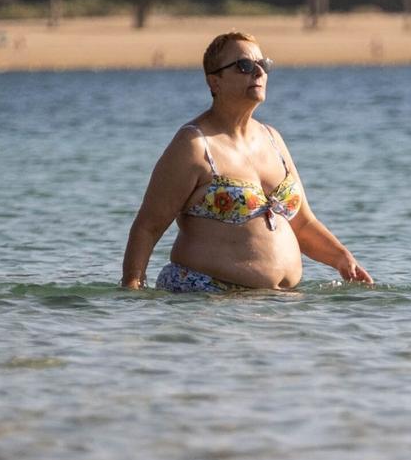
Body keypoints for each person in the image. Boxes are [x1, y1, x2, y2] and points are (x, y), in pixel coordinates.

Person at [121, 31, 372, 292]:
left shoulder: (272, 139)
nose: (258, 72)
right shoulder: (194, 145)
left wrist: (342, 258)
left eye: (264, 65)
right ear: (214, 82)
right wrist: (131, 288)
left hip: (274, 308)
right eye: (244, 66)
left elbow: (304, 224)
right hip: (206, 302)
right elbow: (147, 227)